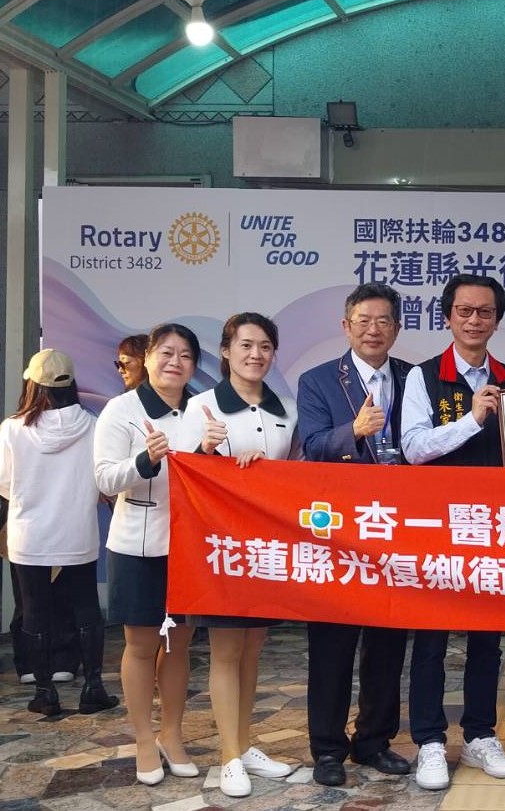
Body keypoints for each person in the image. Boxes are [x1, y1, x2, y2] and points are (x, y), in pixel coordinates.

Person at [400, 273, 505, 791]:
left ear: (497, 320)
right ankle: (430, 740)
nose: (475, 320)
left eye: (485, 312)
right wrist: (472, 420)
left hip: (490, 527)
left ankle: (480, 734)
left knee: (486, 639)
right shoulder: (423, 376)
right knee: (431, 638)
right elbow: (413, 448)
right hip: (437, 526)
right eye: (465, 311)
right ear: (448, 316)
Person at [295, 283, 413, 788]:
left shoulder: (413, 377)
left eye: (383, 321)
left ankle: (374, 741)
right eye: (363, 320)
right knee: (332, 643)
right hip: (339, 530)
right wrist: (355, 432)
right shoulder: (318, 380)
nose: (373, 330)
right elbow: (312, 445)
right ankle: (327, 748)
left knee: (388, 640)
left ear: (397, 328)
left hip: (395, 527)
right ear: (346, 327)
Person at [182, 313, 300, 797]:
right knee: (226, 651)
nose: (256, 354)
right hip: (222, 547)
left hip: (267, 548)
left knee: (253, 649)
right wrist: (217, 458)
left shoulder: (286, 409)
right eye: (246, 345)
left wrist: (269, 472)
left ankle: (245, 743)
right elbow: (184, 475)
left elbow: (295, 473)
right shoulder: (202, 407)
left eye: (265, 346)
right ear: (226, 351)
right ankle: (229, 755)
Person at [94, 323, 203, 785]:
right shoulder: (121, 409)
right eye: (166, 353)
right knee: (140, 646)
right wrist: (145, 460)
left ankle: (171, 734)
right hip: (137, 545)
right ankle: (143, 738)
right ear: (148, 358)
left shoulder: (202, 409)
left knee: (178, 644)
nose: (175, 362)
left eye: (185, 355)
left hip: (189, 546)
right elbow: (104, 478)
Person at [0, 349, 118, 717]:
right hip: (77, 531)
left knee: (34, 611)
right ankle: (92, 687)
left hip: (29, 535)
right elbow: (102, 480)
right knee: (86, 609)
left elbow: (5, 485)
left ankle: (44, 692)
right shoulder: (93, 425)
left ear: (32, 385)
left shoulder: (12, 429)